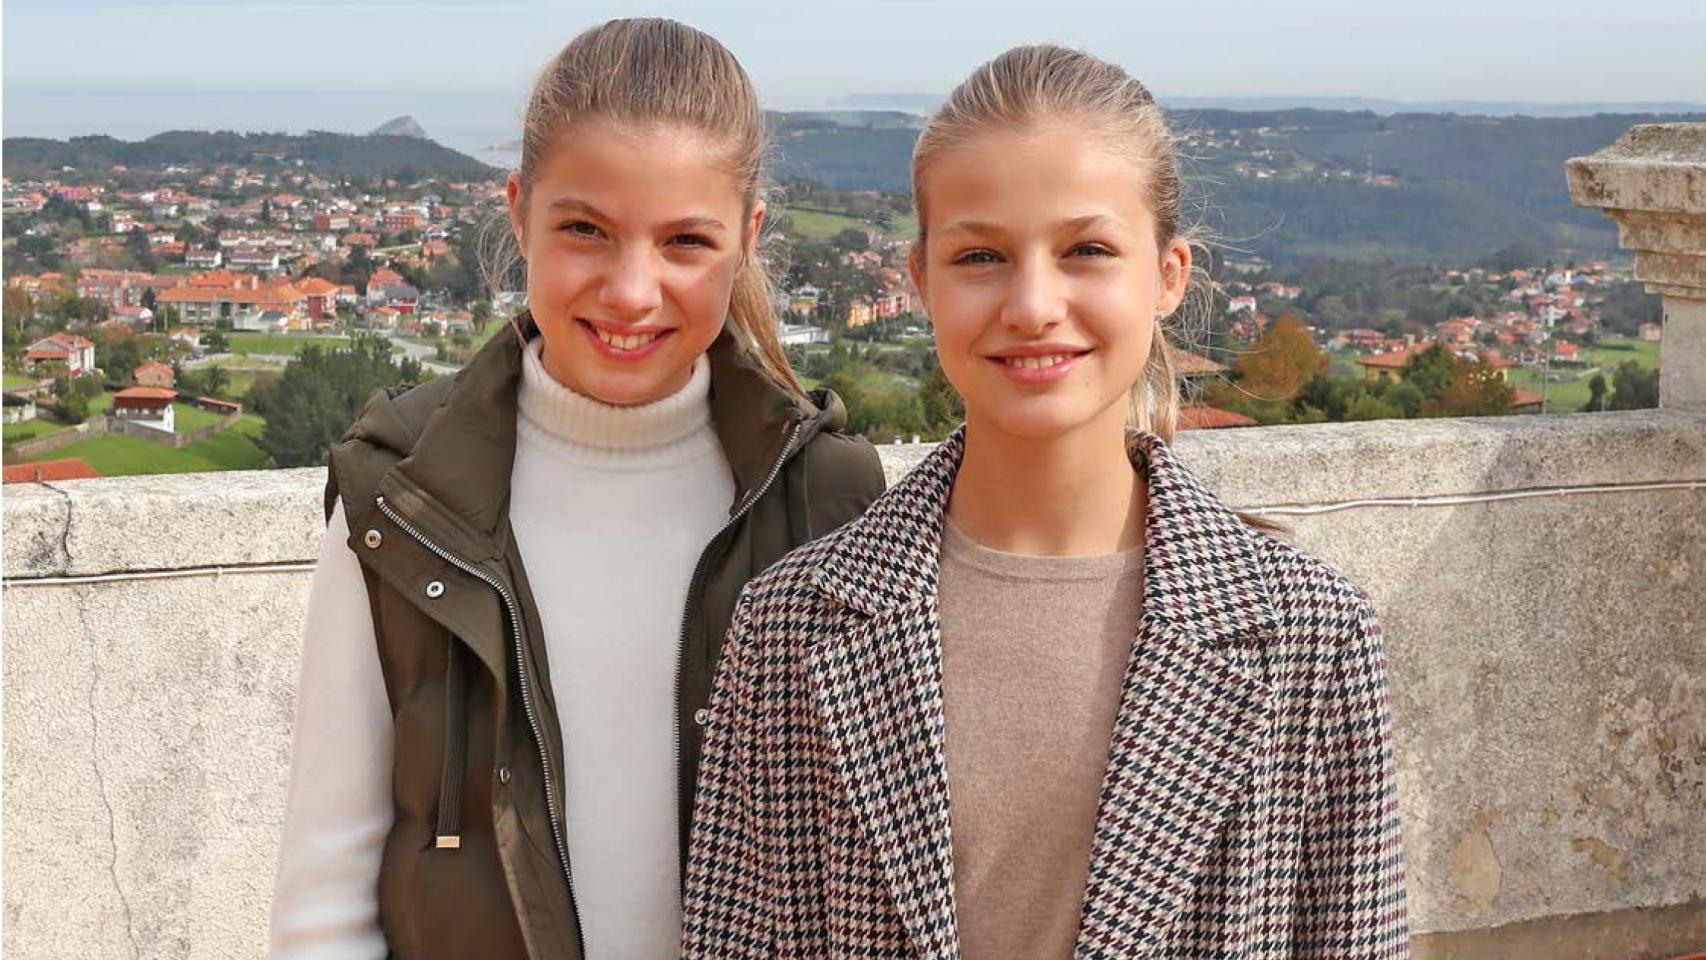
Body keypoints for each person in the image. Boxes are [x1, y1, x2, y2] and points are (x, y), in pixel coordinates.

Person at [682, 44, 1410, 959]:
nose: (1032, 304)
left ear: (1169, 274)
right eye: (981, 254)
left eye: (1087, 251)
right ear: (922, 281)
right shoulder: (792, 624)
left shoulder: (1313, 634)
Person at [268, 18, 886, 960]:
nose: (633, 291)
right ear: (519, 212)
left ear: (748, 238)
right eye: (586, 231)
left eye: (686, 241)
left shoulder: (827, 499)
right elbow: (326, 894)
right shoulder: (400, 492)